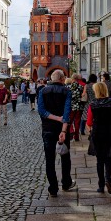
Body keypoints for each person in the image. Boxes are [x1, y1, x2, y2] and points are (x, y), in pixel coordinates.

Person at [37, 69, 75, 197]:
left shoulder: (42, 91)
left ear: (52, 79)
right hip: (62, 129)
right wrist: (63, 128)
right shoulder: (67, 91)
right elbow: (67, 111)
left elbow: (42, 111)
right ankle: (66, 183)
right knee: (65, 156)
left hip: (47, 129)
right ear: (62, 79)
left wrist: (55, 117)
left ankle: (53, 188)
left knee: (49, 159)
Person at [86, 81, 111, 194]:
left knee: (99, 160)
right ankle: (108, 180)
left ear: (96, 91)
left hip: (97, 134)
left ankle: (101, 186)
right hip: (109, 133)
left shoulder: (92, 104)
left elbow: (89, 122)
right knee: (109, 159)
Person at [66, 74, 83, 142]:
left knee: (69, 121)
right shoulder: (81, 87)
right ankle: (76, 136)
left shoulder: (68, 87)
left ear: (72, 79)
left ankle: (70, 133)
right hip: (79, 106)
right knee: (77, 122)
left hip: (71, 107)